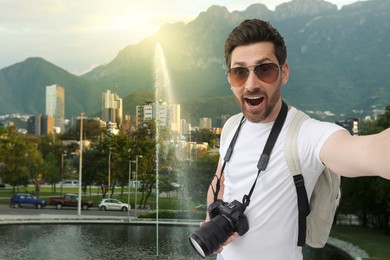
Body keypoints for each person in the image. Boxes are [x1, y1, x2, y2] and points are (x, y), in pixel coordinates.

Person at [205, 19, 390, 260]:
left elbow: (370, 152)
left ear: (284, 73)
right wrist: (214, 221)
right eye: (240, 72)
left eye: (265, 70)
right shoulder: (231, 126)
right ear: (230, 79)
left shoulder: (306, 135)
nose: (251, 84)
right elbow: (220, 180)